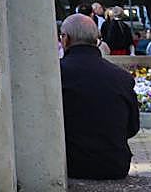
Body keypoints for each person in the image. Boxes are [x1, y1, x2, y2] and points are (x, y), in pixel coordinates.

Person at [58, 13, 140, 180]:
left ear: (65, 39)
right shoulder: (122, 77)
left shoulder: (56, 75)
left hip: (71, 164)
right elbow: (132, 127)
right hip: (115, 164)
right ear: (97, 40)